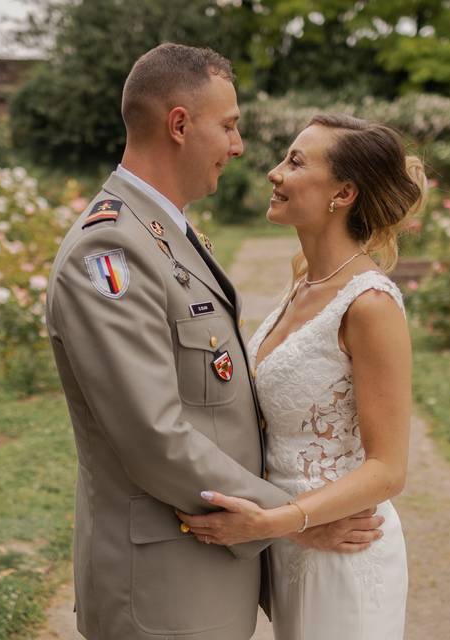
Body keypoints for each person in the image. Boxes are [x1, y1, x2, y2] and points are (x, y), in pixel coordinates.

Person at [45, 44, 384, 640]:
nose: (239, 146)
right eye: (228, 126)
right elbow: (153, 435)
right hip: (161, 586)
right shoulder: (112, 251)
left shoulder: (161, 231)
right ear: (180, 125)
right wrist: (289, 522)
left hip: (197, 575)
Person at [177, 114, 426, 639]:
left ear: (343, 192)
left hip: (343, 555)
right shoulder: (302, 284)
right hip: (296, 545)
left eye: (295, 162)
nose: (273, 172)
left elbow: (388, 469)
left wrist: (272, 522)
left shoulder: (371, 303)